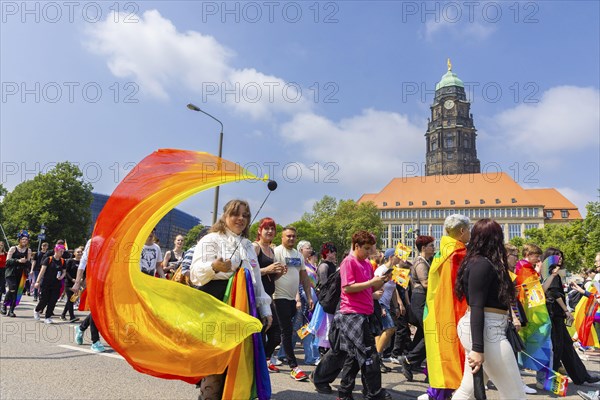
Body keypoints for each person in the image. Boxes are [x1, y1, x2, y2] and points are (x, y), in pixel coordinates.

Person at [190, 199, 272, 400]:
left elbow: (256, 280)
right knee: (217, 363)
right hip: (217, 304)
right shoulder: (211, 240)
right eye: (236, 214)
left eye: (245, 215)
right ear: (224, 216)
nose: (241, 219)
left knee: (241, 362)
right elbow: (195, 274)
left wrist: (265, 310)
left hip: (245, 308)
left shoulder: (248, 245)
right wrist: (214, 267)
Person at [452, 219, 526, 399]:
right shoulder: (482, 264)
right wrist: (478, 348)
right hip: (487, 331)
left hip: (486, 329)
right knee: (515, 395)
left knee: (468, 391)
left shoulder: (481, 262)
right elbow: (477, 306)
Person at [313, 230, 390, 400]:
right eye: (367, 248)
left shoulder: (366, 264)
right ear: (356, 246)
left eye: (371, 249)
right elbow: (347, 288)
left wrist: (381, 282)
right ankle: (372, 392)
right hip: (351, 315)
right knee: (367, 354)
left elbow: (369, 289)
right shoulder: (349, 262)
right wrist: (371, 283)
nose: (370, 252)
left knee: (353, 355)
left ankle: (347, 392)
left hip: (364, 314)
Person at [421, 214, 470, 400]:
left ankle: (438, 392)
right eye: (469, 230)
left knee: (441, 352)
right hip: (453, 310)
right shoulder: (458, 254)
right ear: (462, 231)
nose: (470, 234)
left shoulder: (441, 252)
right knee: (455, 353)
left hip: (436, 309)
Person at [542, 248, 600, 386]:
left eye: (561, 256)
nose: (560, 259)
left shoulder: (551, 274)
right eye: (556, 256)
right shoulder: (552, 275)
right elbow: (554, 295)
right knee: (558, 348)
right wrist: (566, 311)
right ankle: (552, 380)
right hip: (554, 315)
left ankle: (581, 376)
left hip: (556, 315)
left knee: (566, 346)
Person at [272, 226, 313, 381]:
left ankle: (267, 358)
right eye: (288, 236)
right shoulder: (276, 252)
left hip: (292, 300)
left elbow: (304, 278)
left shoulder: (298, 255)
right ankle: (293, 367)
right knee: (287, 332)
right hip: (278, 297)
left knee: (278, 334)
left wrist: (308, 296)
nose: (291, 238)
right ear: (282, 237)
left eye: (293, 236)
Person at [252, 217, 284, 372]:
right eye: (267, 228)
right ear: (260, 231)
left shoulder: (271, 250)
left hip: (269, 297)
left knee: (276, 335)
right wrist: (268, 269)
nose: (270, 231)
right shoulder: (255, 247)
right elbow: (249, 273)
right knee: (259, 333)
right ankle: (256, 365)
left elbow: (271, 277)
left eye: (273, 229)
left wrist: (279, 273)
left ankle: (262, 361)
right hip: (256, 298)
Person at [401, 235, 435, 381]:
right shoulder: (420, 263)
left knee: (423, 332)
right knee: (430, 332)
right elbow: (426, 283)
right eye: (431, 246)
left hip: (423, 300)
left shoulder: (427, 261)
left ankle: (412, 361)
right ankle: (409, 360)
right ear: (423, 248)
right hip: (419, 300)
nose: (433, 248)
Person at [72, 239, 106, 352]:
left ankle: (81, 328)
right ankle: (95, 341)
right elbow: (83, 263)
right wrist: (77, 283)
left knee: (101, 311)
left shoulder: (115, 240)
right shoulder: (93, 241)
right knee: (96, 310)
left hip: (109, 282)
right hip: (95, 281)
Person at [34, 243, 67, 324]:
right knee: (44, 300)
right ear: (56, 250)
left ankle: (48, 317)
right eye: (60, 251)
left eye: (63, 251)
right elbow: (42, 271)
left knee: (53, 301)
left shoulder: (62, 261)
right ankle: (37, 310)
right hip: (46, 283)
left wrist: (61, 277)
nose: (61, 253)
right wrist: (37, 282)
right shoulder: (48, 259)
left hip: (56, 284)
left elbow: (64, 272)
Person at [2, 231, 32, 317]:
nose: (24, 241)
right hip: (11, 273)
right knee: (12, 289)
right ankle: (4, 305)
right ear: (19, 240)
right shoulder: (13, 248)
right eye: (23, 239)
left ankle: (11, 310)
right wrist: (17, 260)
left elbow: (29, 264)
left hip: (21, 273)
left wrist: (26, 262)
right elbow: (7, 262)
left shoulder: (28, 250)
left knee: (17, 292)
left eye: (26, 239)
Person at [61, 246, 82, 322]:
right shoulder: (70, 261)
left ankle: (63, 314)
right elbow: (66, 272)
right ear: (74, 253)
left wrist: (81, 279)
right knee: (70, 299)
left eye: (81, 252)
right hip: (69, 283)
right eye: (78, 252)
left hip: (78, 284)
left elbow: (84, 272)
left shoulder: (82, 262)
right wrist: (72, 279)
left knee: (72, 300)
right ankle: (72, 316)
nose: (80, 253)